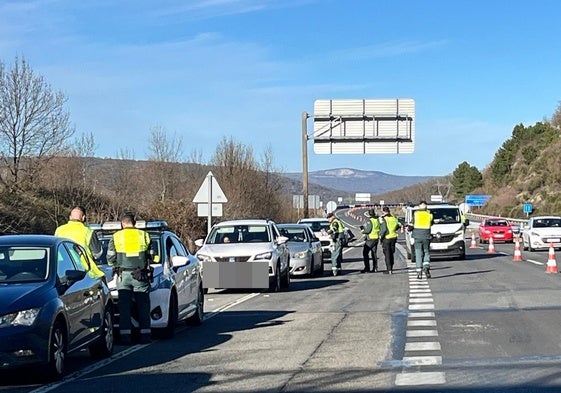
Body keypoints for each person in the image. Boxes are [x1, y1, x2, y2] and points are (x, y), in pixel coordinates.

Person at [106, 212, 153, 345]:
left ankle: (125, 337)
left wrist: (116, 265)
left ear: (122, 223)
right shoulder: (144, 235)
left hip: (123, 275)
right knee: (143, 305)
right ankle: (145, 336)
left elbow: (110, 258)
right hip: (140, 274)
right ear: (135, 222)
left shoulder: (116, 236)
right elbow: (152, 256)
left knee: (124, 307)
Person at [54, 206, 105, 279]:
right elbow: (98, 253)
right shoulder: (88, 232)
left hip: (61, 271)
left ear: (70, 217)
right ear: (83, 217)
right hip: (86, 271)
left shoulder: (59, 230)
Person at [411, 201, 433, 279]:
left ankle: (419, 272)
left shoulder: (416, 214)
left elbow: (412, 224)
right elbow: (432, 223)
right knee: (426, 252)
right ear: (426, 207)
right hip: (426, 236)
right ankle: (426, 267)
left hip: (417, 236)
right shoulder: (429, 215)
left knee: (418, 253)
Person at [379, 206, 401, 275]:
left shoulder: (383, 219)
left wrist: (381, 238)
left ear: (383, 212)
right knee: (392, 253)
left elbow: (383, 229)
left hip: (387, 238)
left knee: (387, 254)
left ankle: (389, 269)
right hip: (394, 237)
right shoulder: (394, 218)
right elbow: (398, 225)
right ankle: (391, 267)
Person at [360, 208, 380, 273]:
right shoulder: (377, 220)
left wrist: (363, 231)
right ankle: (375, 268)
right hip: (376, 238)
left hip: (370, 238)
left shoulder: (370, 220)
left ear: (369, 214)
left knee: (365, 253)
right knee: (374, 253)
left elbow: (368, 230)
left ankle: (367, 268)